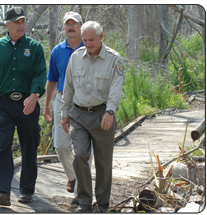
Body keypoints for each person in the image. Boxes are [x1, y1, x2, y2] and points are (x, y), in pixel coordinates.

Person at [0, 7, 47, 206]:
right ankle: (3, 192)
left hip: (28, 103)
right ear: (7, 25)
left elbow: (40, 74)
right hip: (4, 104)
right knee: (3, 144)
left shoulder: (34, 47)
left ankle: (26, 190)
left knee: (29, 147)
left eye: (23, 22)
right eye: (16, 22)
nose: (21, 25)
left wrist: (34, 95)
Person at [61, 21, 124, 213]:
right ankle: (84, 202)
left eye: (91, 40)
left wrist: (110, 111)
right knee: (80, 154)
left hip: (102, 114)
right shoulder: (76, 57)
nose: (87, 44)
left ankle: (103, 204)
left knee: (103, 162)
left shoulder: (114, 59)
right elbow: (68, 86)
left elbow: (116, 88)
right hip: (79, 115)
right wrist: (65, 112)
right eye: (84, 39)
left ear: (101, 37)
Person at [43, 11, 92, 204]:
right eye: (67, 24)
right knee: (61, 145)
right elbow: (52, 80)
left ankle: (81, 193)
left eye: (74, 24)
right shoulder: (57, 50)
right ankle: (73, 176)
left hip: (85, 103)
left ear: (81, 26)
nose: (71, 27)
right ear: (63, 27)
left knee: (84, 150)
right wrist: (47, 104)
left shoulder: (89, 46)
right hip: (63, 100)